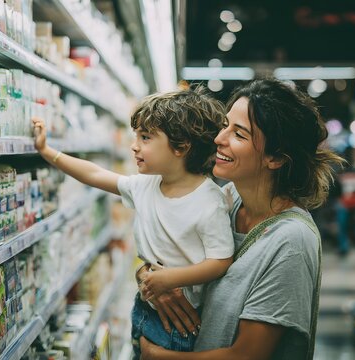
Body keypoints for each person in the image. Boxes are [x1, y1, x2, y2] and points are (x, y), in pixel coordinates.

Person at [138, 78, 345, 360]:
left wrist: (157, 356)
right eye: (224, 125)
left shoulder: (291, 242)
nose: (218, 139)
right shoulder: (230, 199)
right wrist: (151, 278)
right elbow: (175, 251)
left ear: (275, 158)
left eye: (239, 134)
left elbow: (246, 356)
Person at [31, 88, 235, 357]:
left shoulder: (210, 202)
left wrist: (169, 279)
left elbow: (221, 262)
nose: (134, 145)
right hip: (145, 305)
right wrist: (48, 152)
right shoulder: (145, 185)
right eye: (136, 136)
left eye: (146, 137)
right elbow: (94, 173)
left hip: (178, 318)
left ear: (181, 147)